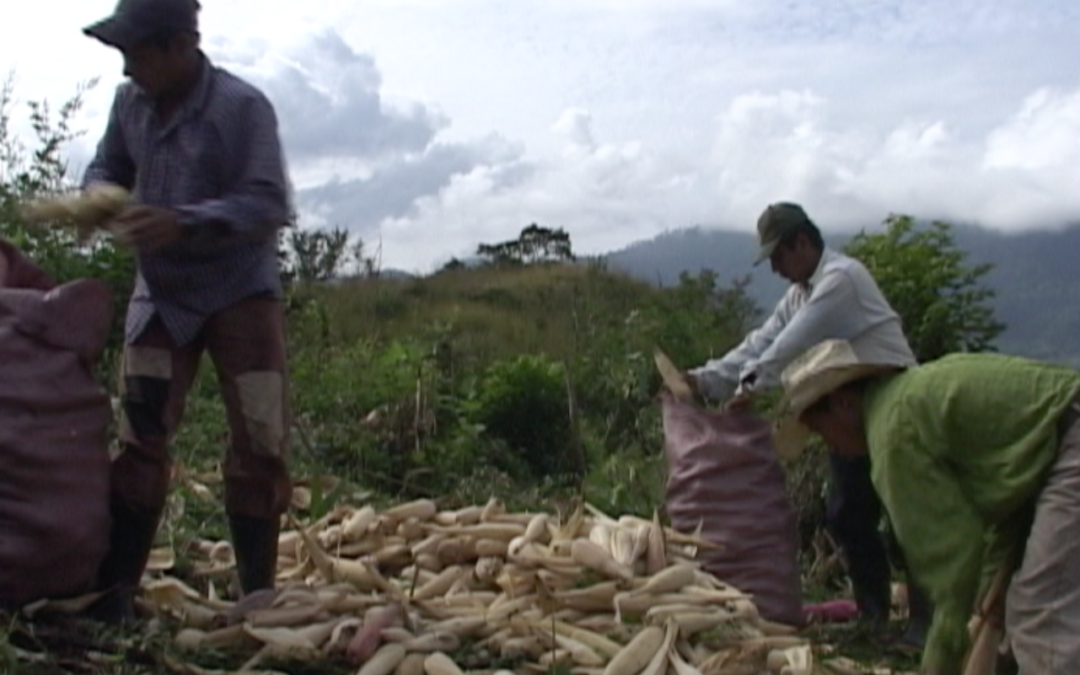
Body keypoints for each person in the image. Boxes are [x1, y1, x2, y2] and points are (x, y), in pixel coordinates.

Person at [80, 0, 293, 622]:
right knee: (140, 438)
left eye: (137, 54)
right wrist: (99, 194)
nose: (127, 69)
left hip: (239, 292)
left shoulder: (240, 107)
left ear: (179, 47)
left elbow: (267, 201)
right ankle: (116, 591)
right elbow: (108, 163)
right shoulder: (130, 105)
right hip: (161, 294)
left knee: (260, 440)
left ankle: (256, 594)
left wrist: (184, 221)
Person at [686, 202, 930, 643]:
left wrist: (748, 388)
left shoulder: (841, 281)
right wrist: (705, 379)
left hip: (893, 405)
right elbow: (762, 341)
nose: (776, 269)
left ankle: (925, 624)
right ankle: (874, 616)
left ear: (802, 242)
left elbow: (787, 347)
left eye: (779, 256)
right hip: (849, 416)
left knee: (907, 517)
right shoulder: (801, 293)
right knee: (850, 514)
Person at [776, 339, 1080, 675]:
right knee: (1010, 613)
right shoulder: (904, 401)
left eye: (821, 430)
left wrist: (940, 657)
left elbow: (953, 559)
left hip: (1070, 441)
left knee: (1041, 614)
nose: (830, 444)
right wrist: (989, 599)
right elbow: (1000, 506)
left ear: (844, 402)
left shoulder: (893, 435)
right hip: (1059, 439)